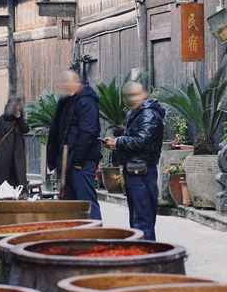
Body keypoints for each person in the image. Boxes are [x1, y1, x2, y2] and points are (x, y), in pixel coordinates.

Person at [104, 81, 165, 240]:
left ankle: (147, 256)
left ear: (144, 94)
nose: (132, 99)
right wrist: (116, 141)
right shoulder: (138, 113)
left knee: (142, 217)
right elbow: (136, 138)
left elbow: (143, 141)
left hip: (142, 170)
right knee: (139, 216)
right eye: (129, 96)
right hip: (136, 169)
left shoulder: (148, 114)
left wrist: (118, 142)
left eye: (136, 94)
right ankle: (143, 252)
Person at [46, 69, 101, 220]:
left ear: (76, 82)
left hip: (80, 162)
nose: (63, 86)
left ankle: (96, 238)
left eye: (66, 82)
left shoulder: (86, 101)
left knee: (86, 204)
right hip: (67, 161)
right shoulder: (66, 100)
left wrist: (78, 160)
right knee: (70, 205)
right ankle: (76, 238)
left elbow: (89, 132)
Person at [0, 96, 30, 190]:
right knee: (4, 175)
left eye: (18, 106)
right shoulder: (2, 119)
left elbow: (26, 129)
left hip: (17, 152)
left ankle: (21, 195)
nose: (15, 108)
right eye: (13, 106)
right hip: (4, 152)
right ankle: (4, 194)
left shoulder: (19, 119)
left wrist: (19, 118)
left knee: (19, 174)